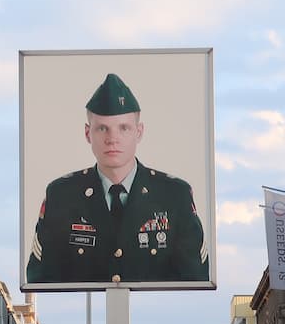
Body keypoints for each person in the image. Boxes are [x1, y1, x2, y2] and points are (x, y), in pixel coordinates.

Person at [27, 73, 207, 285]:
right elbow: (41, 279)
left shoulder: (174, 195)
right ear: (87, 133)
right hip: (88, 315)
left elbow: (196, 278)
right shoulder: (61, 195)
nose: (112, 139)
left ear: (138, 132)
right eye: (102, 128)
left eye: (124, 128)